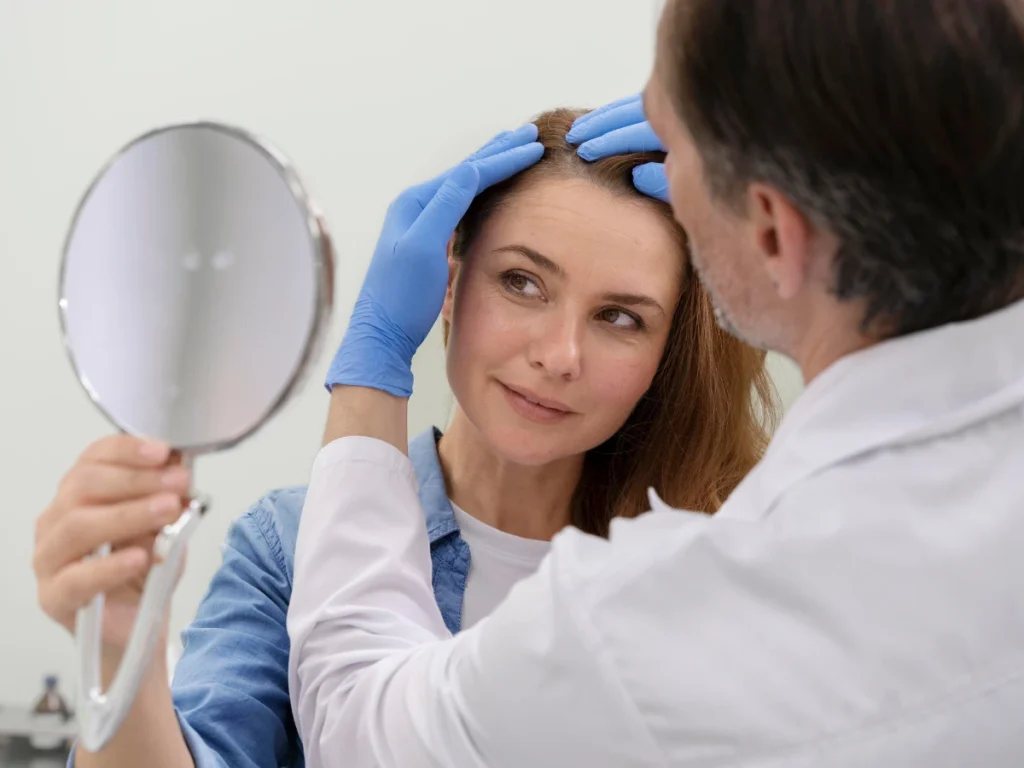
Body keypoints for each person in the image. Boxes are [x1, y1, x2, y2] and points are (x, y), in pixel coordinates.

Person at [287, 0, 1024, 765]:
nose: (560, 354)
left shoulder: (661, 621)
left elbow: (355, 714)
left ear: (770, 230)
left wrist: (370, 364)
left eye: (677, 140)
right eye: (522, 282)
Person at [32, 108, 776, 767]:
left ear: (665, 352)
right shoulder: (287, 548)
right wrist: (117, 650)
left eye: (620, 317)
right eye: (521, 281)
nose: (559, 355)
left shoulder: (716, 563)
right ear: (445, 285)